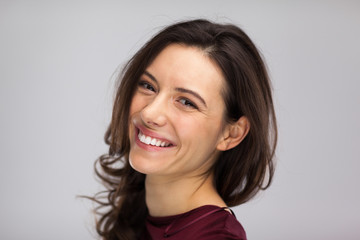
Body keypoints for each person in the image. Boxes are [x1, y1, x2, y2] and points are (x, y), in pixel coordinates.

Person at [91, 19, 277, 240]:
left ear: (231, 134)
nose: (150, 113)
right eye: (148, 86)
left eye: (187, 102)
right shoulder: (141, 208)